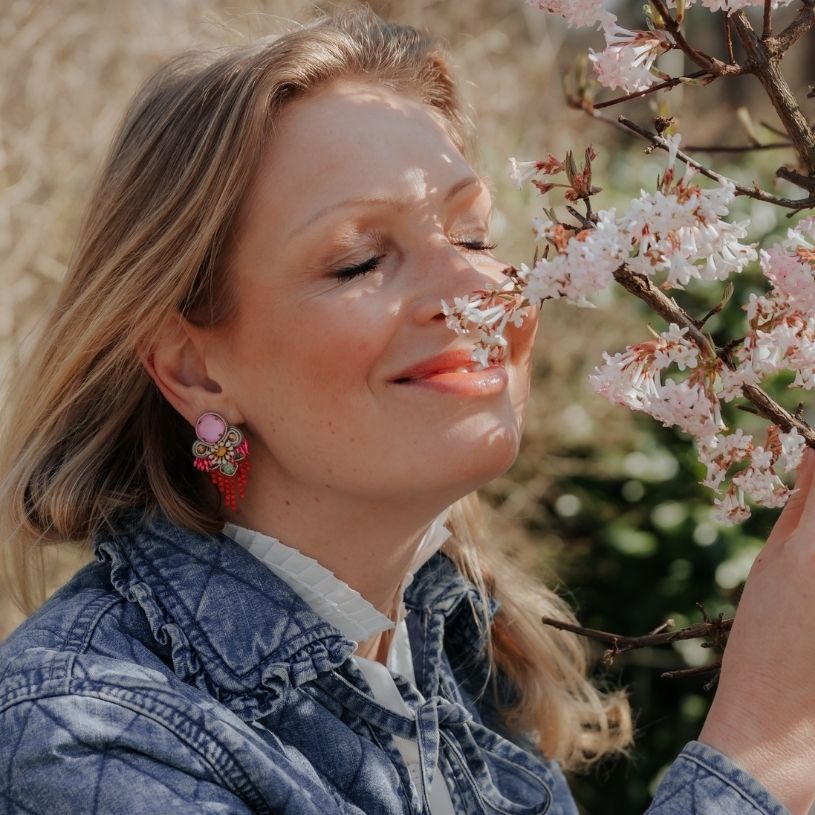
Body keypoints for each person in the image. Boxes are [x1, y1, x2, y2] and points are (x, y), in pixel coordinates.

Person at [0, 7, 813, 814]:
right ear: (194, 370)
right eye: (359, 261)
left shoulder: (464, 650)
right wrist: (759, 750)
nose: (474, 295)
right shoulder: (82, 736)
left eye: (471, 236)